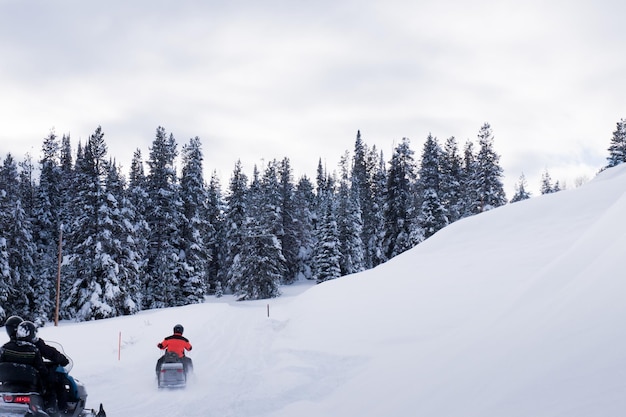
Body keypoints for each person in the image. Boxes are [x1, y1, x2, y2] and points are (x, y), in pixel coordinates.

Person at [2, 317, 70, 414]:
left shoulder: (5, 348)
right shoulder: (33, 349)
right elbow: (42, 368)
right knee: (51, 385)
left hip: (8, 384)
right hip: (29, 385)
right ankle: (52, 408)